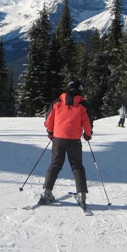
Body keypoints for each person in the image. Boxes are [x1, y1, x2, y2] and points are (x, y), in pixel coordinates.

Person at [38, 80, 93, 208]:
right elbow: (87, 122)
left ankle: (47, 192)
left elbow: (49, 119)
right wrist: (88, 134)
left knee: (55, 165)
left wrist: (50, 132)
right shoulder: (82, 104)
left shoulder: (57, 102)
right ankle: (81, 195)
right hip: (74, 140)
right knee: (77, 166)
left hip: (58, 139)